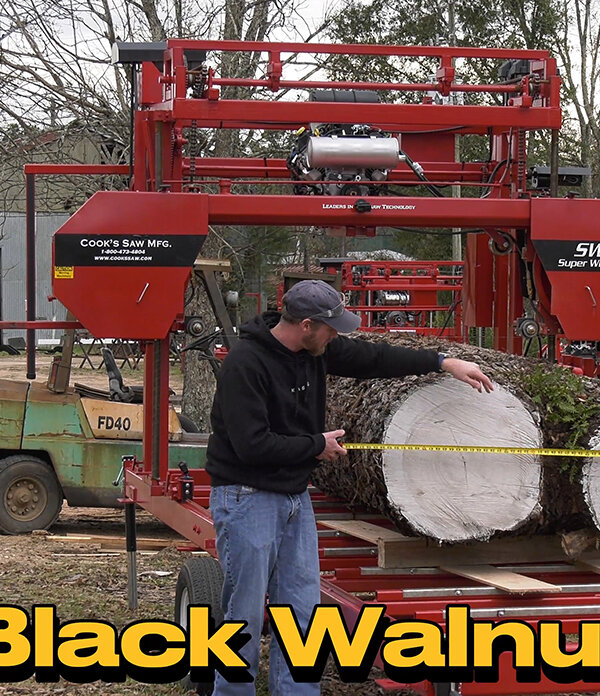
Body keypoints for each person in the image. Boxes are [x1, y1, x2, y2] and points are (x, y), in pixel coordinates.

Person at [205, 279, 493, 696]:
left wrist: (443, 361)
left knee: (303, 611)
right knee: (243, 613)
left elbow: (375, 357)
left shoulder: (315, 350)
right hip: (247, 497)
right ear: (306, 325)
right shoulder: (245, 364)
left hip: (292, 497)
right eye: (332, 327)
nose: (337, 335)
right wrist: (315, 445)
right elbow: (251, 445)